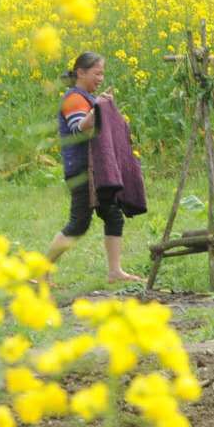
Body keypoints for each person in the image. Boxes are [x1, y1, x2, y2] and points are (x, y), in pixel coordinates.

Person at [46, 51, 144, 283]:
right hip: (81, 171)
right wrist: (99, 107)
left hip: (97, 171)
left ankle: (114, 272)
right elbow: (80, 127)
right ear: (80, 72)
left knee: (113, 216)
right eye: (97, 73)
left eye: (103, 74)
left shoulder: (88, 99)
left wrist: (105, 110)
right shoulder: (73, 99)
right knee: (78, 223)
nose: (101, 78)